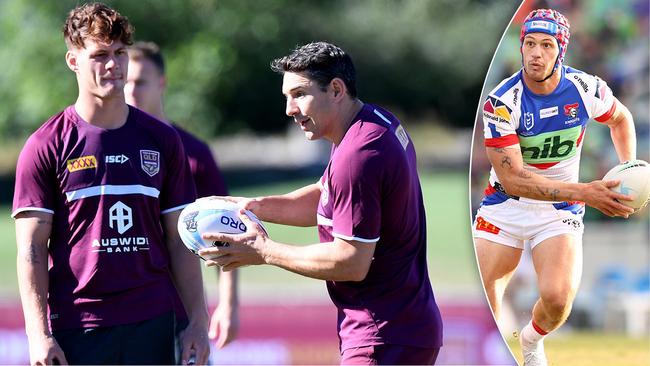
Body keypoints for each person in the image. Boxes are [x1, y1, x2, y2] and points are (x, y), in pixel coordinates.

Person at [197, 41, 443, 365]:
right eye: (287, 97)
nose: (289, 109)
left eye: (299, 94)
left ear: (336, 90)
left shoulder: (358, 155)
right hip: (402, 329)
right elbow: (327, 196)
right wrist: (254, 205)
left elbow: (351, 262)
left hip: (384, 336)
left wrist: (265, 251)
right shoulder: (370, 122)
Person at [12, 3, 210, 365]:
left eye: (120, 53)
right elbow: (32, 249)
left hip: (151, 318)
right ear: (73, 60)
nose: (113, 65)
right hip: (78, 323)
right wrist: (38, 334)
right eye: (100, 54)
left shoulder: (162, 140)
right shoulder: (46, 144)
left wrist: (198, 320)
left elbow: (180, 239)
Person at [473, 9, 636, 366]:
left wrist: (629, 168)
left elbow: (621, 119)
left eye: (546, 45)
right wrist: (585, 192)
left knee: (558, 300)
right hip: (505, 205)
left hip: (558, 212)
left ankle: (530, 340)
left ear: (560, 50)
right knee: (484, 300)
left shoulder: (586, 88)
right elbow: (514, 178)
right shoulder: (501, 102)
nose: (535, 53)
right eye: (529, 43)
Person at [124, 41, 239, 355]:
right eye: (126, 81)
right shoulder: (108, 149)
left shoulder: (194, 154)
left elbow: (225, 234)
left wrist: (228, 305)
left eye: (140, 82)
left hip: (179, 314)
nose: (131, 90)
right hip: (122, 313)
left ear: (161, 83)